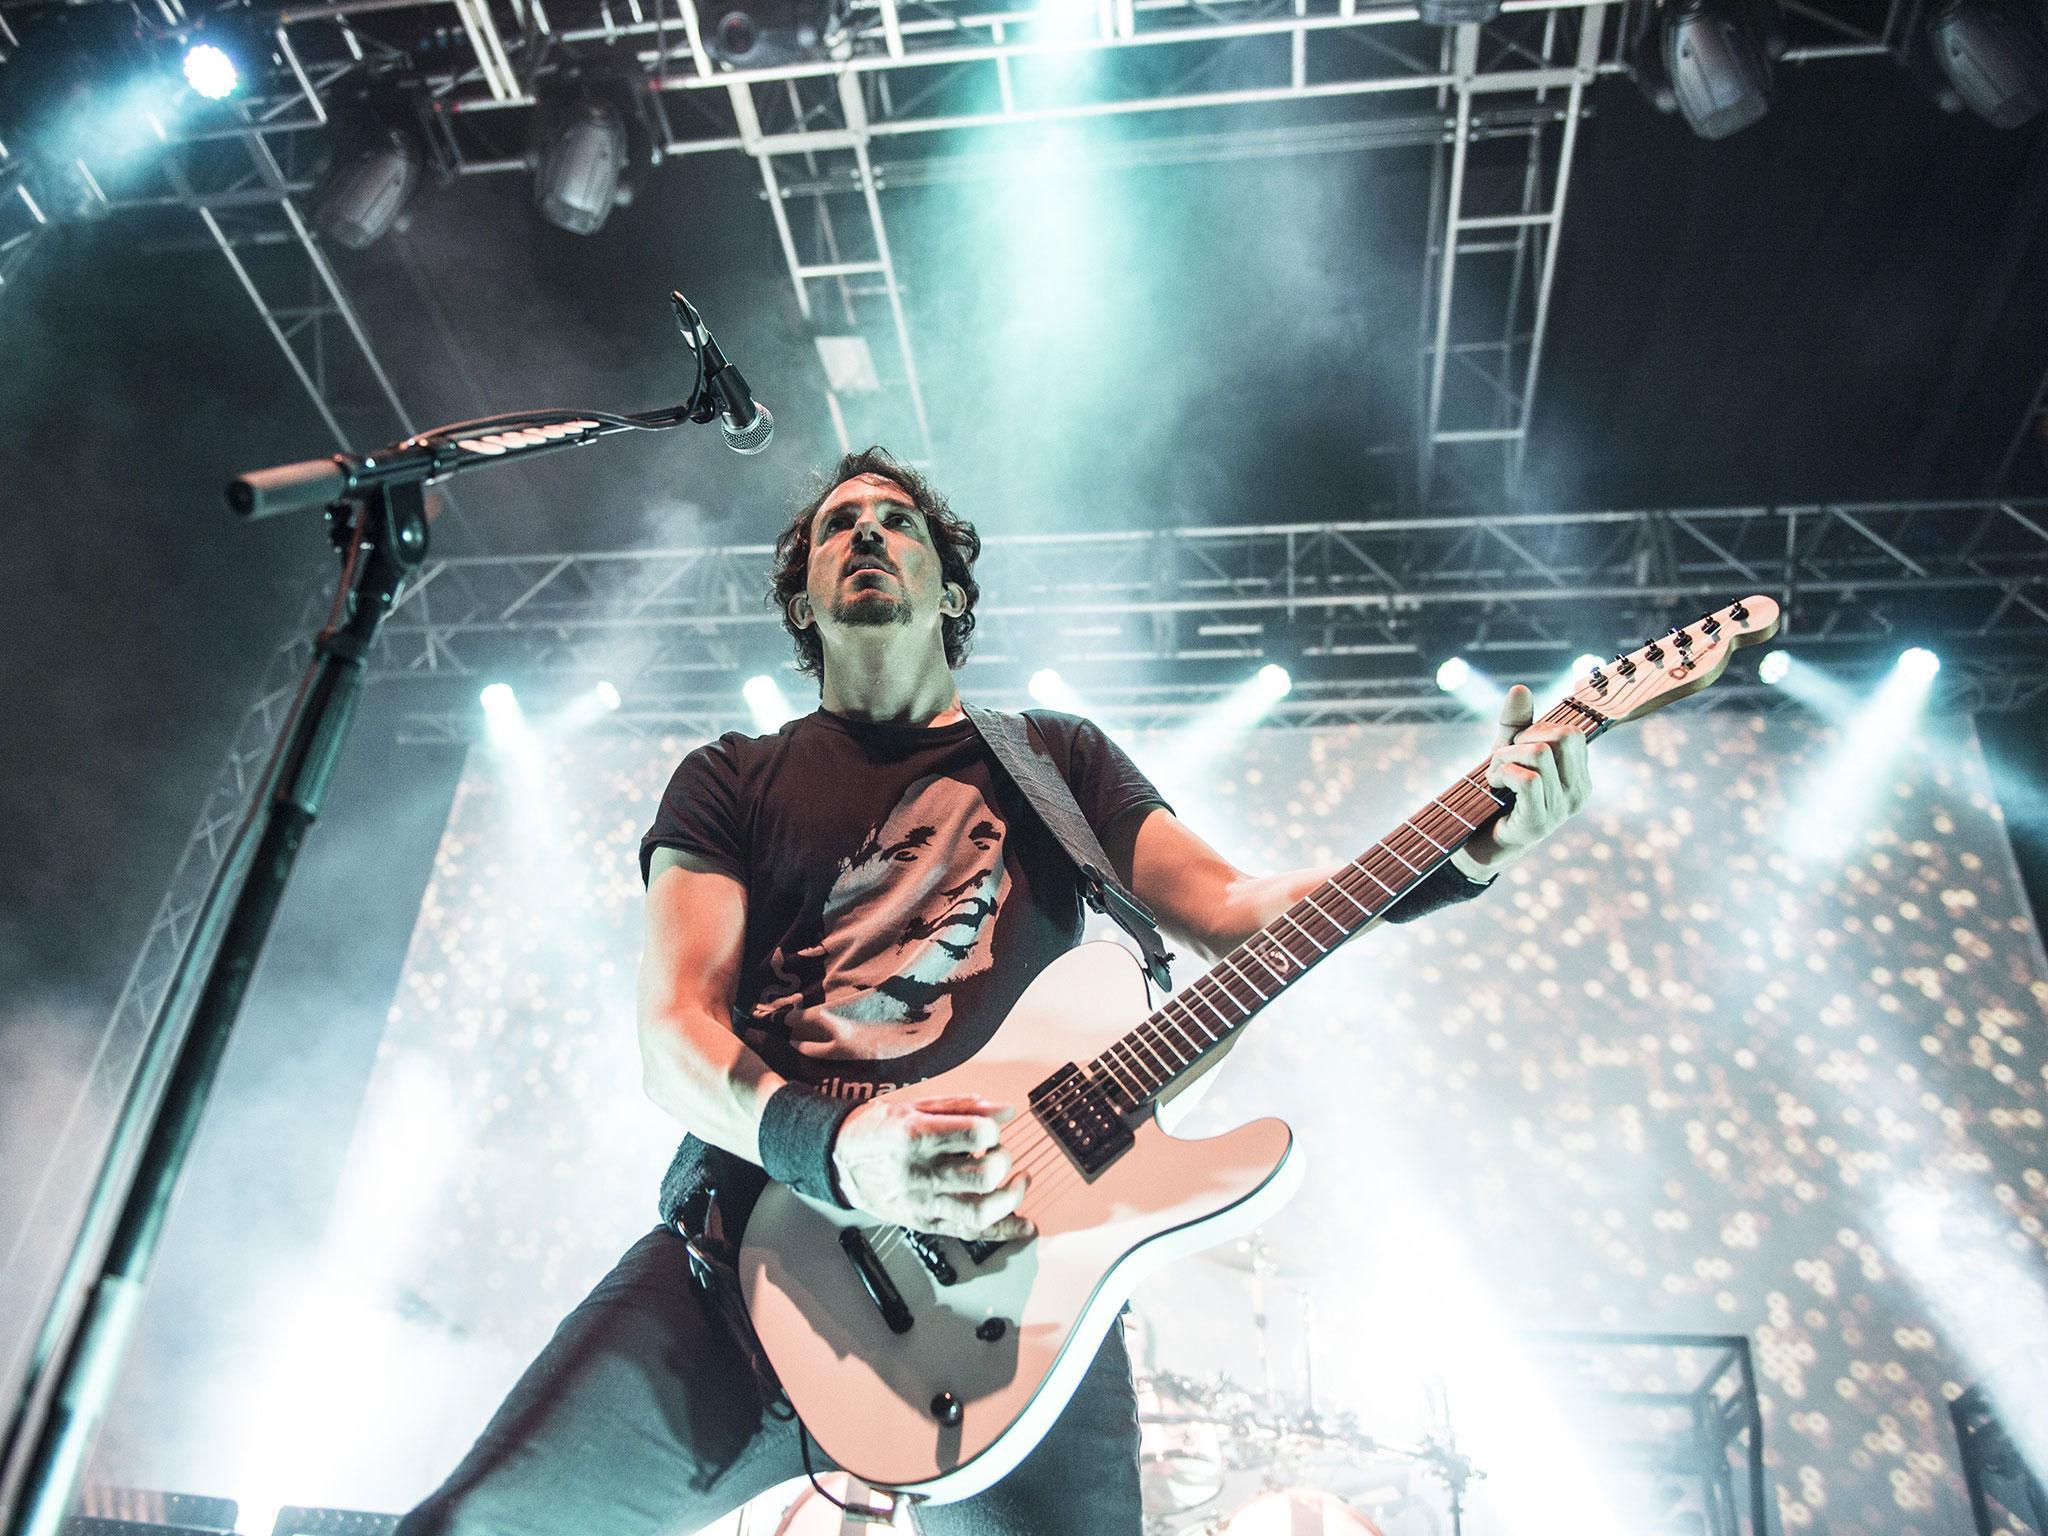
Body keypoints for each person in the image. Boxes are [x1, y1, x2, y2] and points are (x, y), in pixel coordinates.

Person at [398, 448, 1592, 1536]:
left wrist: (1465, 848)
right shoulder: (727, 777)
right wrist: (842, 1148)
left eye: (897, 522)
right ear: (803, 602)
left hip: (1021, 1290)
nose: (866, 533)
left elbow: (1233, 910)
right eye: (837, 527)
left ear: (951, 591)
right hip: (751, 1253)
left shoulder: (1055, 759)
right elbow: (674, 1039)